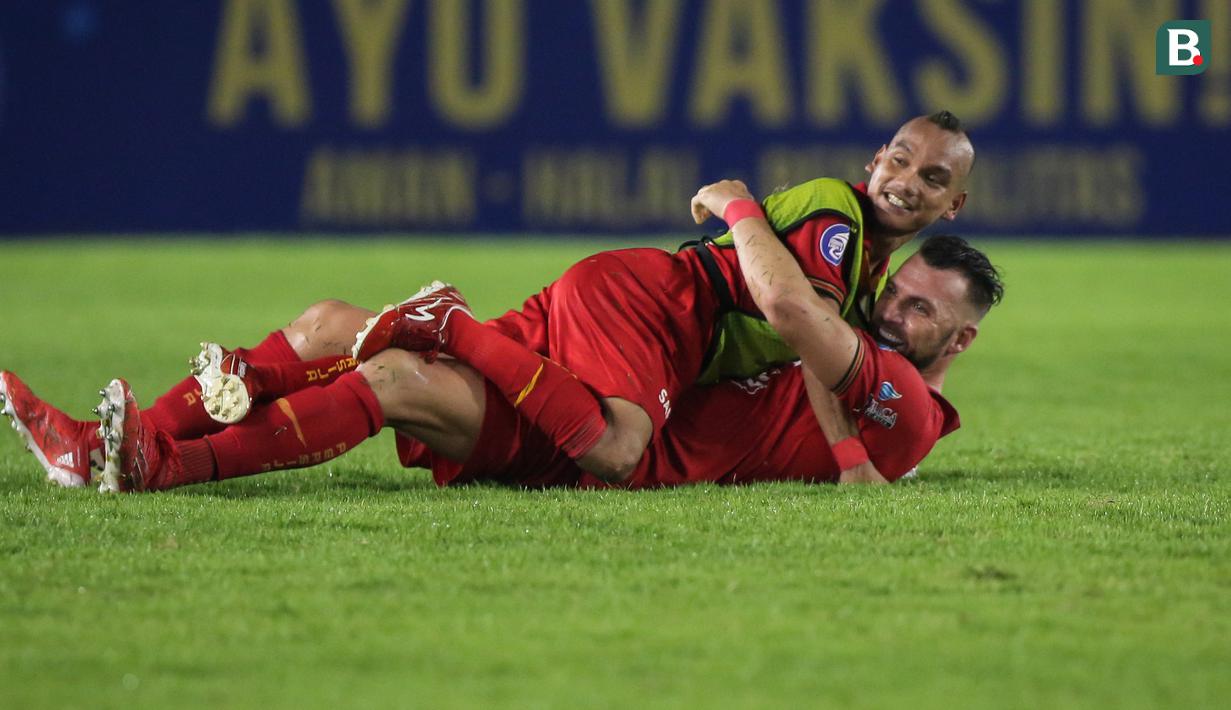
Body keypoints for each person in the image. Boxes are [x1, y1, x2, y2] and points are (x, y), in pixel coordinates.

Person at [0, 235, 1001, 492]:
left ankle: (160, 465)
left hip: (597, 442)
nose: (891, 308)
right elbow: (810, 343)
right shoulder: (854, 351)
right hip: (602, 367)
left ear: (957, 344)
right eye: (899, 289)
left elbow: (793, 311)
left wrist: (739, 207)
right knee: (328, 322)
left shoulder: (906, 410)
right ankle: (103, 447)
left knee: (393, 378)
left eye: (921, 310)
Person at [350, 112, 975, 482]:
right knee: (617, 449)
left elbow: (819, 340)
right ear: (876, 160)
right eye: (900, 161)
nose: (906, 182)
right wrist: (738, 207)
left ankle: (304, 354)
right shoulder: (836, 214)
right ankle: (450, 323)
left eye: (933, 178)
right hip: (660, 312)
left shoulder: (867, 269)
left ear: (955, 204)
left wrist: (852, 452)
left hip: (665, 327)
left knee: (386, 357)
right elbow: (794, 313)